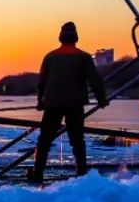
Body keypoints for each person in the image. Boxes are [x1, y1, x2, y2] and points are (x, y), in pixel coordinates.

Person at [32, 22, 108, 183]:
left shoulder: (51, 56)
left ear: (61, 38)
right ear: (76, 38)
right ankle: (81, 172)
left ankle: (37, 172)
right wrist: (101, 98)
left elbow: (42, 82)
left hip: (52, 103)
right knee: (77, 140)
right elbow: (95, 80)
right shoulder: (84, 57)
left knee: (45, 139)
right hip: (75, 104)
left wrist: (40, 101)